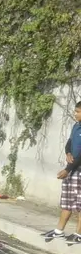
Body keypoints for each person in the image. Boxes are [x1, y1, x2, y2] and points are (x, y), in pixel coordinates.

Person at [42, 102, 81, 244]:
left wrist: (67, 169)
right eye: (75, 111)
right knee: (67, 202)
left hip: (77, 171)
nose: (75, 114)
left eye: (78, 111)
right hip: (71, 169)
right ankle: (59, 231)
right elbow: (69, 142)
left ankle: (78, 234)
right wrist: (68, 152)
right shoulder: (76, 126)